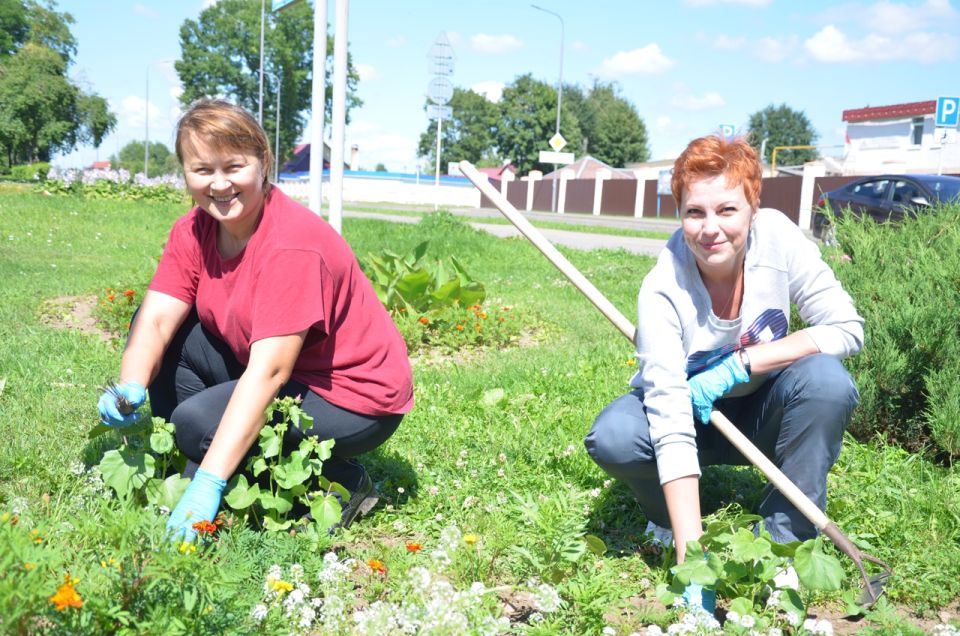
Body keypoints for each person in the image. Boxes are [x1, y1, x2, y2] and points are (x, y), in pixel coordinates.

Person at [97, 99, 413, 542]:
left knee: (194, 423)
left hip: (350, 394)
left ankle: (340, 481)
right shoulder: (194, 229)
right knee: (164, 338)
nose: (220, 184)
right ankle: (216, 454)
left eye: (234, 166)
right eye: (202, 170)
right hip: (285, 370)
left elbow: (270, 373)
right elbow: (154, 321)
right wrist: (130, 386)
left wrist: (208, 483)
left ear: (263, 164)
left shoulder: (290, 245)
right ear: (185, 174)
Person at [584, 135, 862, 611]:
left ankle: (783, 541)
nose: (710, 229)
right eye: (695, 212)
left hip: (763, 410)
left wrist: (743, 364)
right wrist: (693, 562)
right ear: (680, 214)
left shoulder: (778, 238)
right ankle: (667, 518)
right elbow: (669, 424)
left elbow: (847, 329)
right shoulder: (662, 288)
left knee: (827, 382)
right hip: (687, 418)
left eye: (727, 210)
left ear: (753, 207)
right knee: (614, 436)